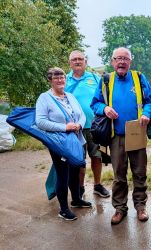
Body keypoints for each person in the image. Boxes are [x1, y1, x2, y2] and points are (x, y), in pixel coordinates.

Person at [91, 47, 151, 225]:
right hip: (115, 135)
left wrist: (147, 114)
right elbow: (95, 103)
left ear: (130, 62)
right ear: (112, 61)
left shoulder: (139, 77)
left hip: (136, 132)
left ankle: (141, 207)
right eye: (118, 58)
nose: (121, 62)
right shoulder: (106, 80)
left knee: (139, 173)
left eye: (125, 58)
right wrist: (104, 108)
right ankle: (120, 208)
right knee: (119, 175)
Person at [36, 67, 92, 221]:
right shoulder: (44, 98)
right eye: (56, 78)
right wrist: (64, 127)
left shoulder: (70, 96)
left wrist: (79, 125)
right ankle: (63, 209)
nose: (60, 81)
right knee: (63, 174)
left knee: (75, 170)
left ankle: (76, 200)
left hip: (76, 139)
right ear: (50, 80)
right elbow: (40, 122)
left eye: (62, 78)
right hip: (59, 143)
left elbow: (81, 115)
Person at [65, 50, 110, 198]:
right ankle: (80, 188)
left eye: (80, 59)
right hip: (74, 128)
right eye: (74, 59)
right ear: (69, 63)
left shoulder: (95, 78)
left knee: (96, 156)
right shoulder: (64, 80)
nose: (77, 61)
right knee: (79, 160)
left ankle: (97, 185)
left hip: (94, 126)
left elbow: (103, 98)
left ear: (86, 62)